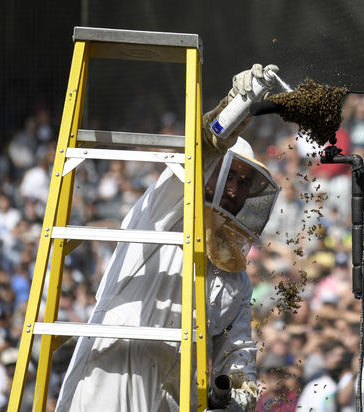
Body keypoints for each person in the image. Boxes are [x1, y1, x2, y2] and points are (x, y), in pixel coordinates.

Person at [55, 64, 283, 412]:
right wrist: (241, 101)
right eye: (230, 176)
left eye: (244, 184)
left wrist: (240, 390)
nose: (234, 191)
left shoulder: (236, 280)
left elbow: (237, 354)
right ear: (209, 172)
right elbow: (206, 144)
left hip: (174, 396)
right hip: (112, 374)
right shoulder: (165, 210)